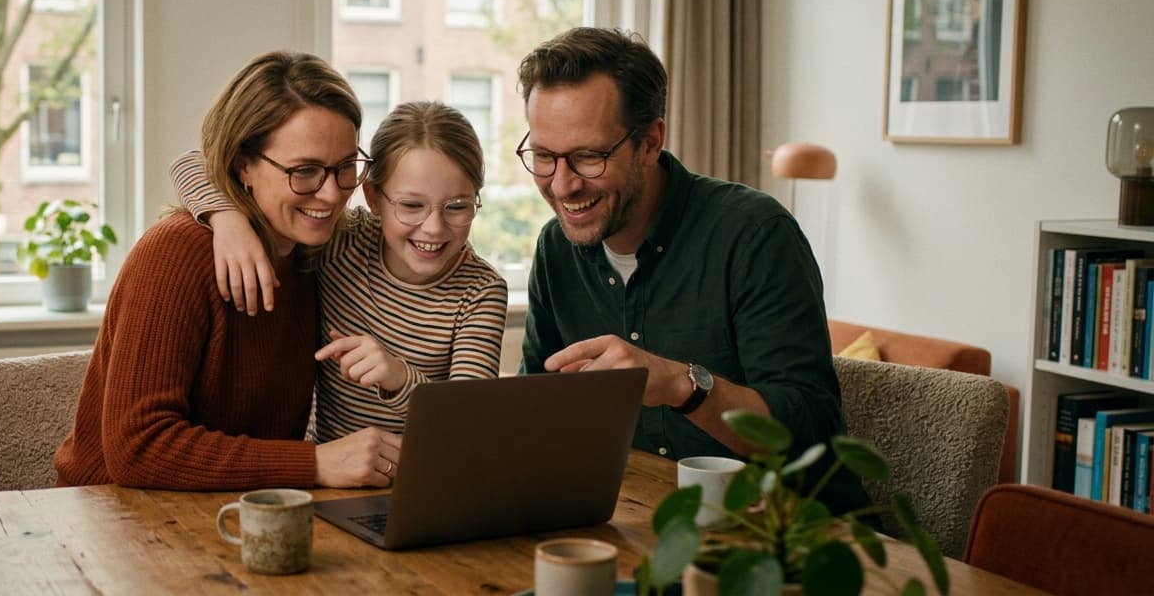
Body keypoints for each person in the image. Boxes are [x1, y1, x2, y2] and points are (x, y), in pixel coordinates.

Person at [514, 27, 869, 513]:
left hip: (788, 535)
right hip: (641, 523)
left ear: (650, 141)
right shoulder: (556, 248)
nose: (562, 185)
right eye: (543, 157)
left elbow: (811, 436)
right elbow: (532, 410)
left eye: (588, 157)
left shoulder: (755, 235)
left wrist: (682, 384)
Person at [53, 50, 400, 491]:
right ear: (243, 166)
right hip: (110, 517)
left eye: (346, 167)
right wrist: (313, 464)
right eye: (305, 171)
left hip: (235, 512)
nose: (332, 194)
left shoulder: (317, 252)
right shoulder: (177, 254)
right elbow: (137, 448)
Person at [171, 101, 508, 442]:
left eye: (457, 207)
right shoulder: (341, 243)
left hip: (423, 481)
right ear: (373, 197)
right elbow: (190, 164)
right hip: (327, 475)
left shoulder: (481, 292)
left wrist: (398, 377)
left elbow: (469, 423)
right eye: (411, 206)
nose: (434, 228)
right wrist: (227, 220)